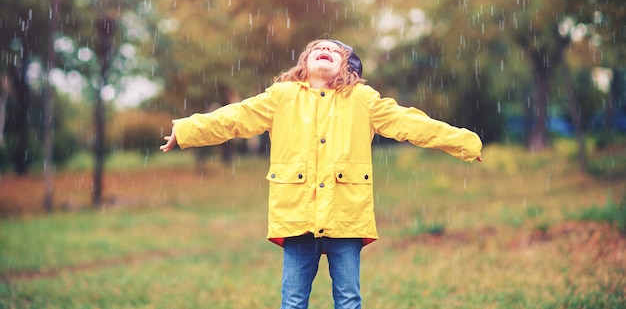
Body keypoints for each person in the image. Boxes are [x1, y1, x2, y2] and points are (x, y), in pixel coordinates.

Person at [160, 39, 482, 309]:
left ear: (347, 67)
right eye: (317, 48)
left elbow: (411, 124)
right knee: (293, 300)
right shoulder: (281, 96)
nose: (324, 50)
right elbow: (234, 117)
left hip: (346, 216)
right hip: (297, 214)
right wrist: (187, 130)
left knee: (348, 299)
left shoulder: (362, 100)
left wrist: (464, 142)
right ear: (305, 63)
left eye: (334, 50)